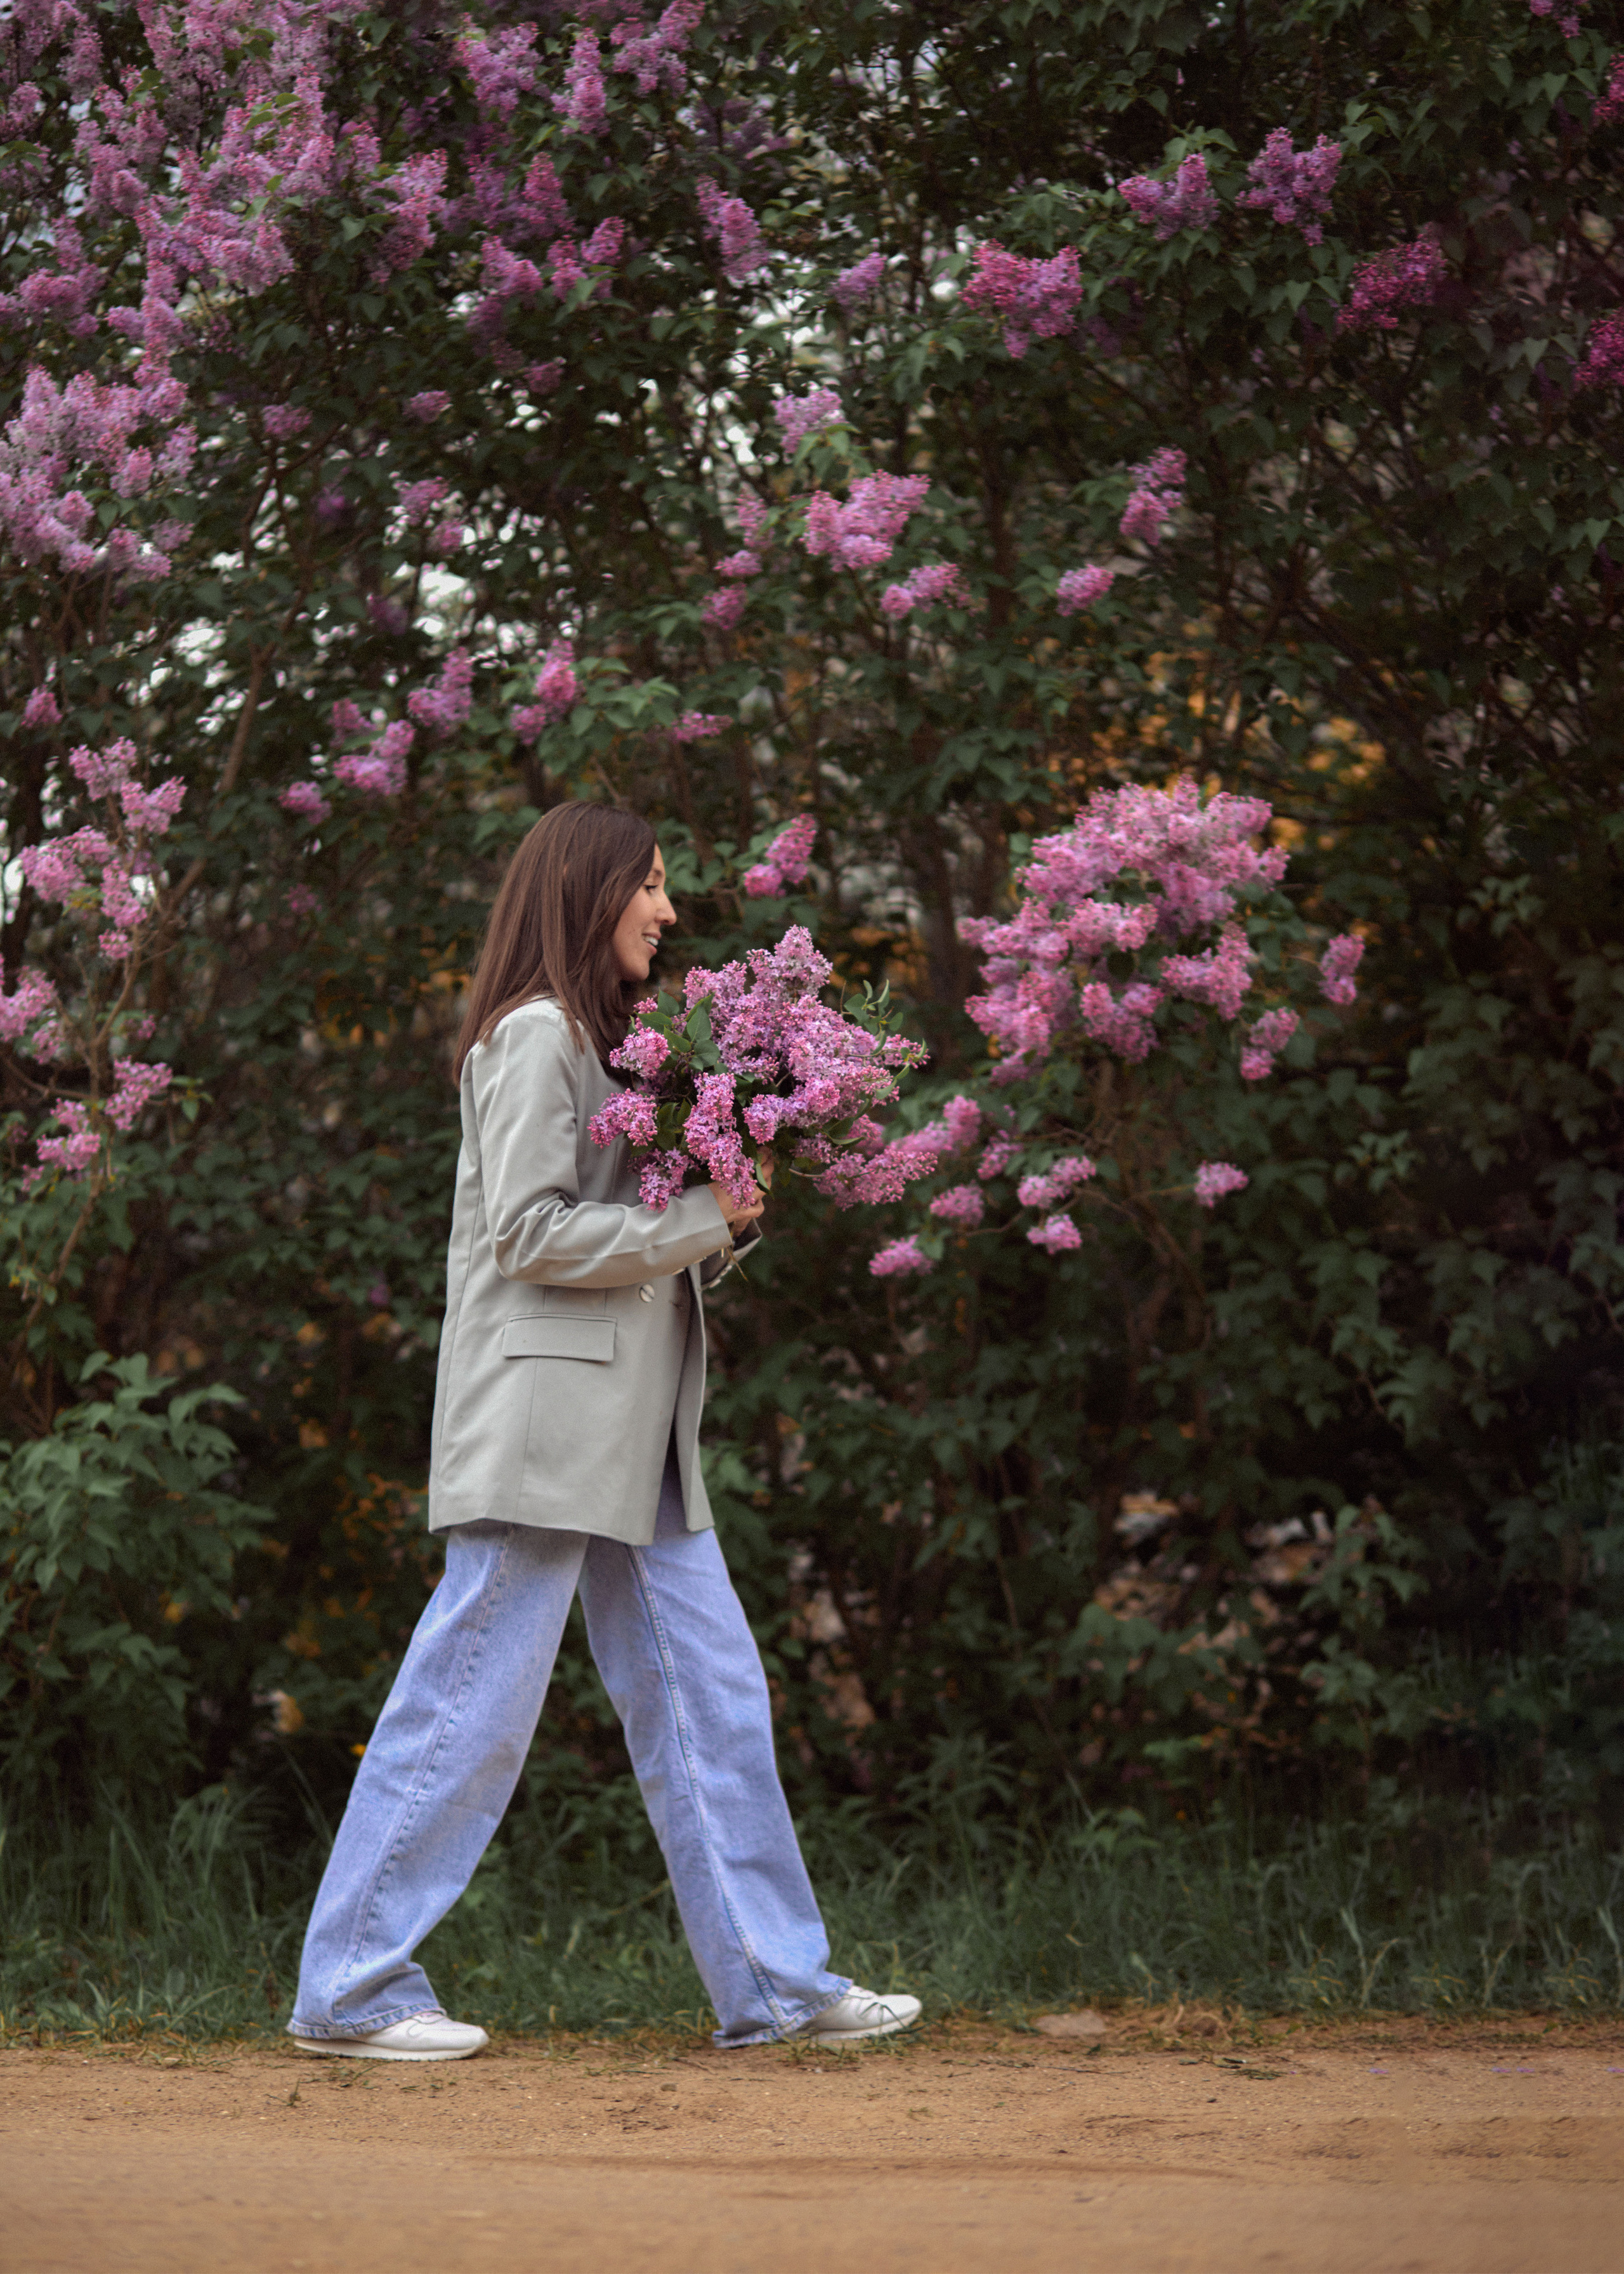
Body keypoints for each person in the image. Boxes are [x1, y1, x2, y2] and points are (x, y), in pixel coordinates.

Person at [287, 802, 920, 2061]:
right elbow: (525, 1235)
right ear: (587, 892)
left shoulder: (616, 1047)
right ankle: (349, 1988)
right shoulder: (534, 1038)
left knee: (713, 1702)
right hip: (544, 1428)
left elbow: (621, 1241)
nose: (669, 910)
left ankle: (774, 1985)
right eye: (650, 882)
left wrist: (720, 1209)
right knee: (467, 1705)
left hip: (635, 1441)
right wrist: (700, 1217)